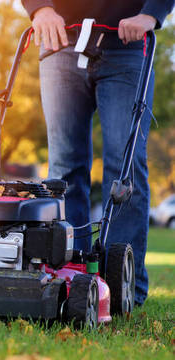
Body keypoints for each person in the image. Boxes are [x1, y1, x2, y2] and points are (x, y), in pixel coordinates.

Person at [21, 1, 174, 306]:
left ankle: (120, 289)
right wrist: (40, 9)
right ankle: (69, 277)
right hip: (60, 42)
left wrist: (150, 14)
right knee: (64, 170)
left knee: (124, 169)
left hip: (128, 46)